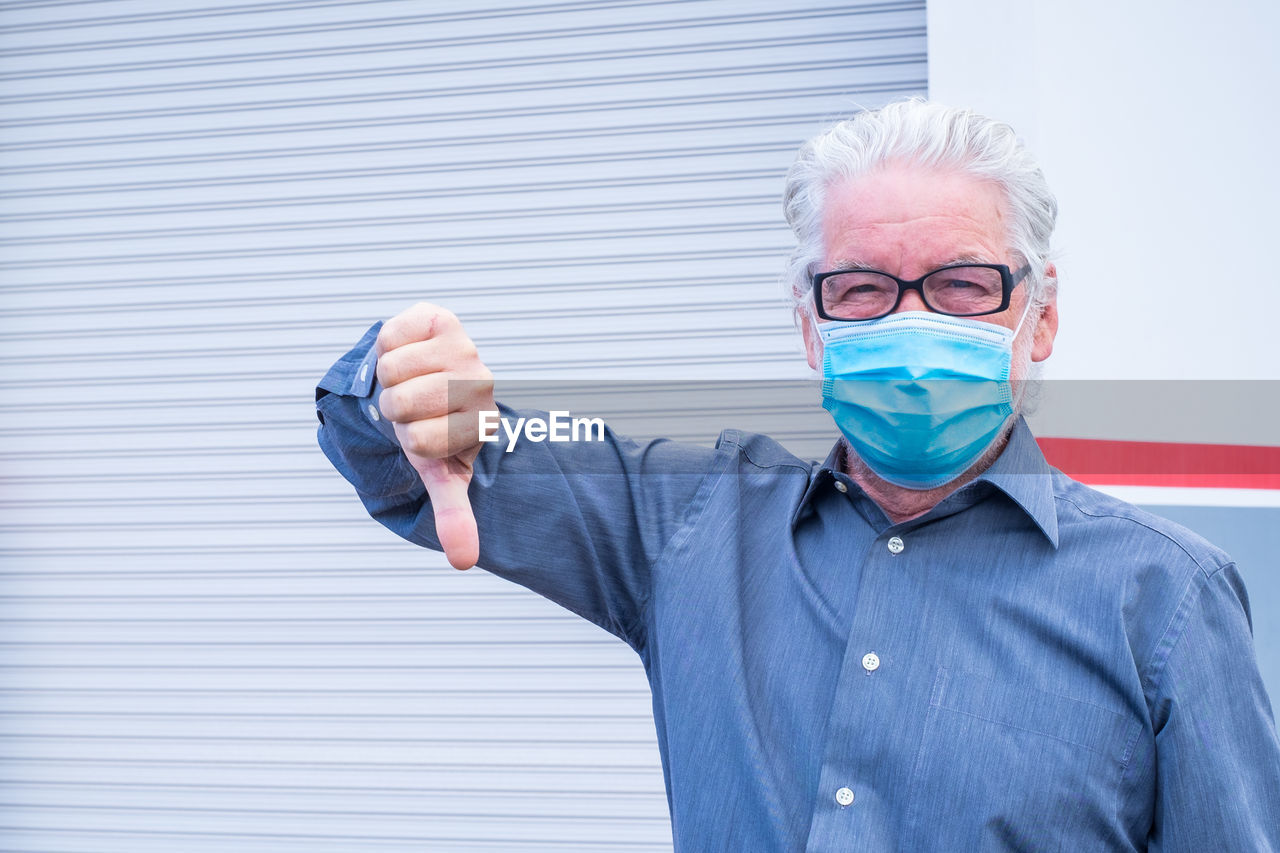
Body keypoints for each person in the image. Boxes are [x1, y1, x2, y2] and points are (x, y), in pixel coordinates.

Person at [315, 100, 1280, 850]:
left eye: (961, 284)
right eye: (861, 287)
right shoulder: (690, 526)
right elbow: (421, 455)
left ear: (1042, 316)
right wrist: (403, 384)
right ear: (810, 323)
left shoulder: (1165, 600)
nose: (912, 326)